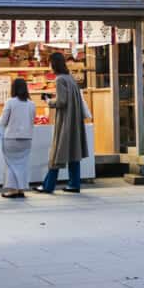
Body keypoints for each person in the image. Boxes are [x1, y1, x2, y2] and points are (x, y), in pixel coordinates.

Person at [35, 52, 89, 194]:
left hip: (65, 121)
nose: (49, 66)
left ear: (54, 64)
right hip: (75, 120)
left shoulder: (59, 79)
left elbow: (61, 102)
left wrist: (48, 101)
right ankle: (74, 183)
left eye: (49, 63)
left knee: (56, 152)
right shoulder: (70, 78)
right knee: (73, 152)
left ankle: (48, 185)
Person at [0, 77, 35, 198]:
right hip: (27, 138)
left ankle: (12, 190)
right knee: (22, 164)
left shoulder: (10, 102)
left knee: (11, 164)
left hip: (11, 138)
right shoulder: (31, 104)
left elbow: (3, 121)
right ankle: (21, 189)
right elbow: (32, 121)